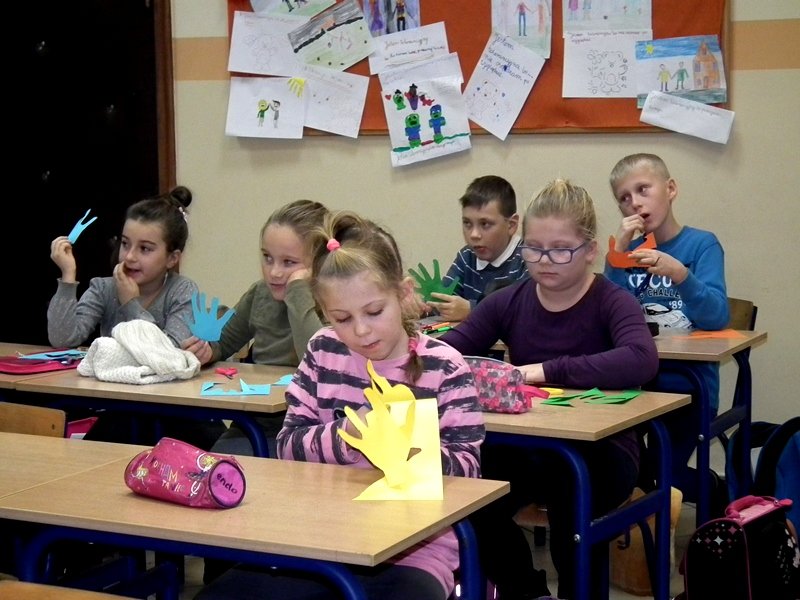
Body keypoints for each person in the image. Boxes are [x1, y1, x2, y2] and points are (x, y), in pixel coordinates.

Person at [195, 211, 485, 600]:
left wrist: (405, 449)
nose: (361, 330)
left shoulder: (445, 367)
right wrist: (348, 433)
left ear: (403, 294)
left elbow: (468, 473)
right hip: (320, 537)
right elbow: (287, 445)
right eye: (342, 318)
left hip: (412, 553)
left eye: (374, 312)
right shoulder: (322, 350)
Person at [440, 178, 659, 599]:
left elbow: (641, 359)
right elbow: (448, 352)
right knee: (468, 493)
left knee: (569, 500)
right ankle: (527, 592)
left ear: (590, 250)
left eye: (560, 250)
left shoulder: (612, 301)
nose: (544, 261)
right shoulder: (509, 300)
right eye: (534, 248)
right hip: (528, 447)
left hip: (603, 452)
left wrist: (544, 370)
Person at [48, 186, 224, 448]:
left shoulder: (182, 291)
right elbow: (62, 338)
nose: (129, 256)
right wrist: (68, 276)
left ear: (172, 258)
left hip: (175, 414)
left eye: (145, 249)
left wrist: (131, 303)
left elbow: (165, 356)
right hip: (121, 409)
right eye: (125, 244)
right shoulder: (104, 288)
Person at [604, 153, 729, 502]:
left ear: (670, 189)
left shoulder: (701, 245)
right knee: (617, 467)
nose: (634, 202)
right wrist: (617, 255)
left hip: (688, 387)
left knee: (662, 477)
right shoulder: (627, 255)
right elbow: (605, 314)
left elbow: (717, 316)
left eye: (643, 189)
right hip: (636, 385)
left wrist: (680, 274)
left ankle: (716, 489)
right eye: (624, 198)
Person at [183, 199, 329, 458]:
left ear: (319, 262)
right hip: (257, 424)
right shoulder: (260, 294)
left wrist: (298, 291)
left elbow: (317, 359)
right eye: (267, 258)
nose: (274, 272)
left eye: (289, 262)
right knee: (214, 467)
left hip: (311, 427)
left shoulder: (334, 301)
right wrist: (207, 350)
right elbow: (223, 342)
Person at [429, 175, 529, 322]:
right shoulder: (467, 256)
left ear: (511, 225)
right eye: (467, 224)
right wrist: (423, 306)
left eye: (485, 224)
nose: (474, 235)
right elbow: (444, 299)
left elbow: (525, 310)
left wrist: (472, 310)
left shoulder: (528, 257)